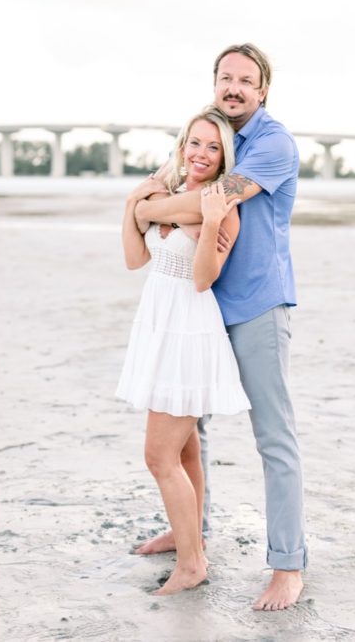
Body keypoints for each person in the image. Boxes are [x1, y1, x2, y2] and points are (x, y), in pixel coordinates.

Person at [132, 43, 306, 611]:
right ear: (215, 83)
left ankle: (287, 564)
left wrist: (145, 210)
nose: (233, 87)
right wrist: (152, 202)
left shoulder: (273, 143)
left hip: (255, 304)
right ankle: (192, 539)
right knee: (189, 434)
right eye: (225, 78)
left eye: (245, 80)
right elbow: (168, 181)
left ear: (263, 91)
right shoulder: (211, 135)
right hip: (202, 306)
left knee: (273, 438)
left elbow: (210, 199)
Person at [116, 106, 251, 595]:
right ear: (182, 146)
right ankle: (188, 539)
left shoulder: (220, 208)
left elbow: (201, 279)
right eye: (195, 143)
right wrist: (132, 205)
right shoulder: (170, 196)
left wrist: (209, 218)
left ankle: (193, 564)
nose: (201, 153)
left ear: (223, 159)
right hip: (157, 325)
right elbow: (136, 260)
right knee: (186, 448)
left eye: (213, 147)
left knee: (158, 456)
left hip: (188, 332)